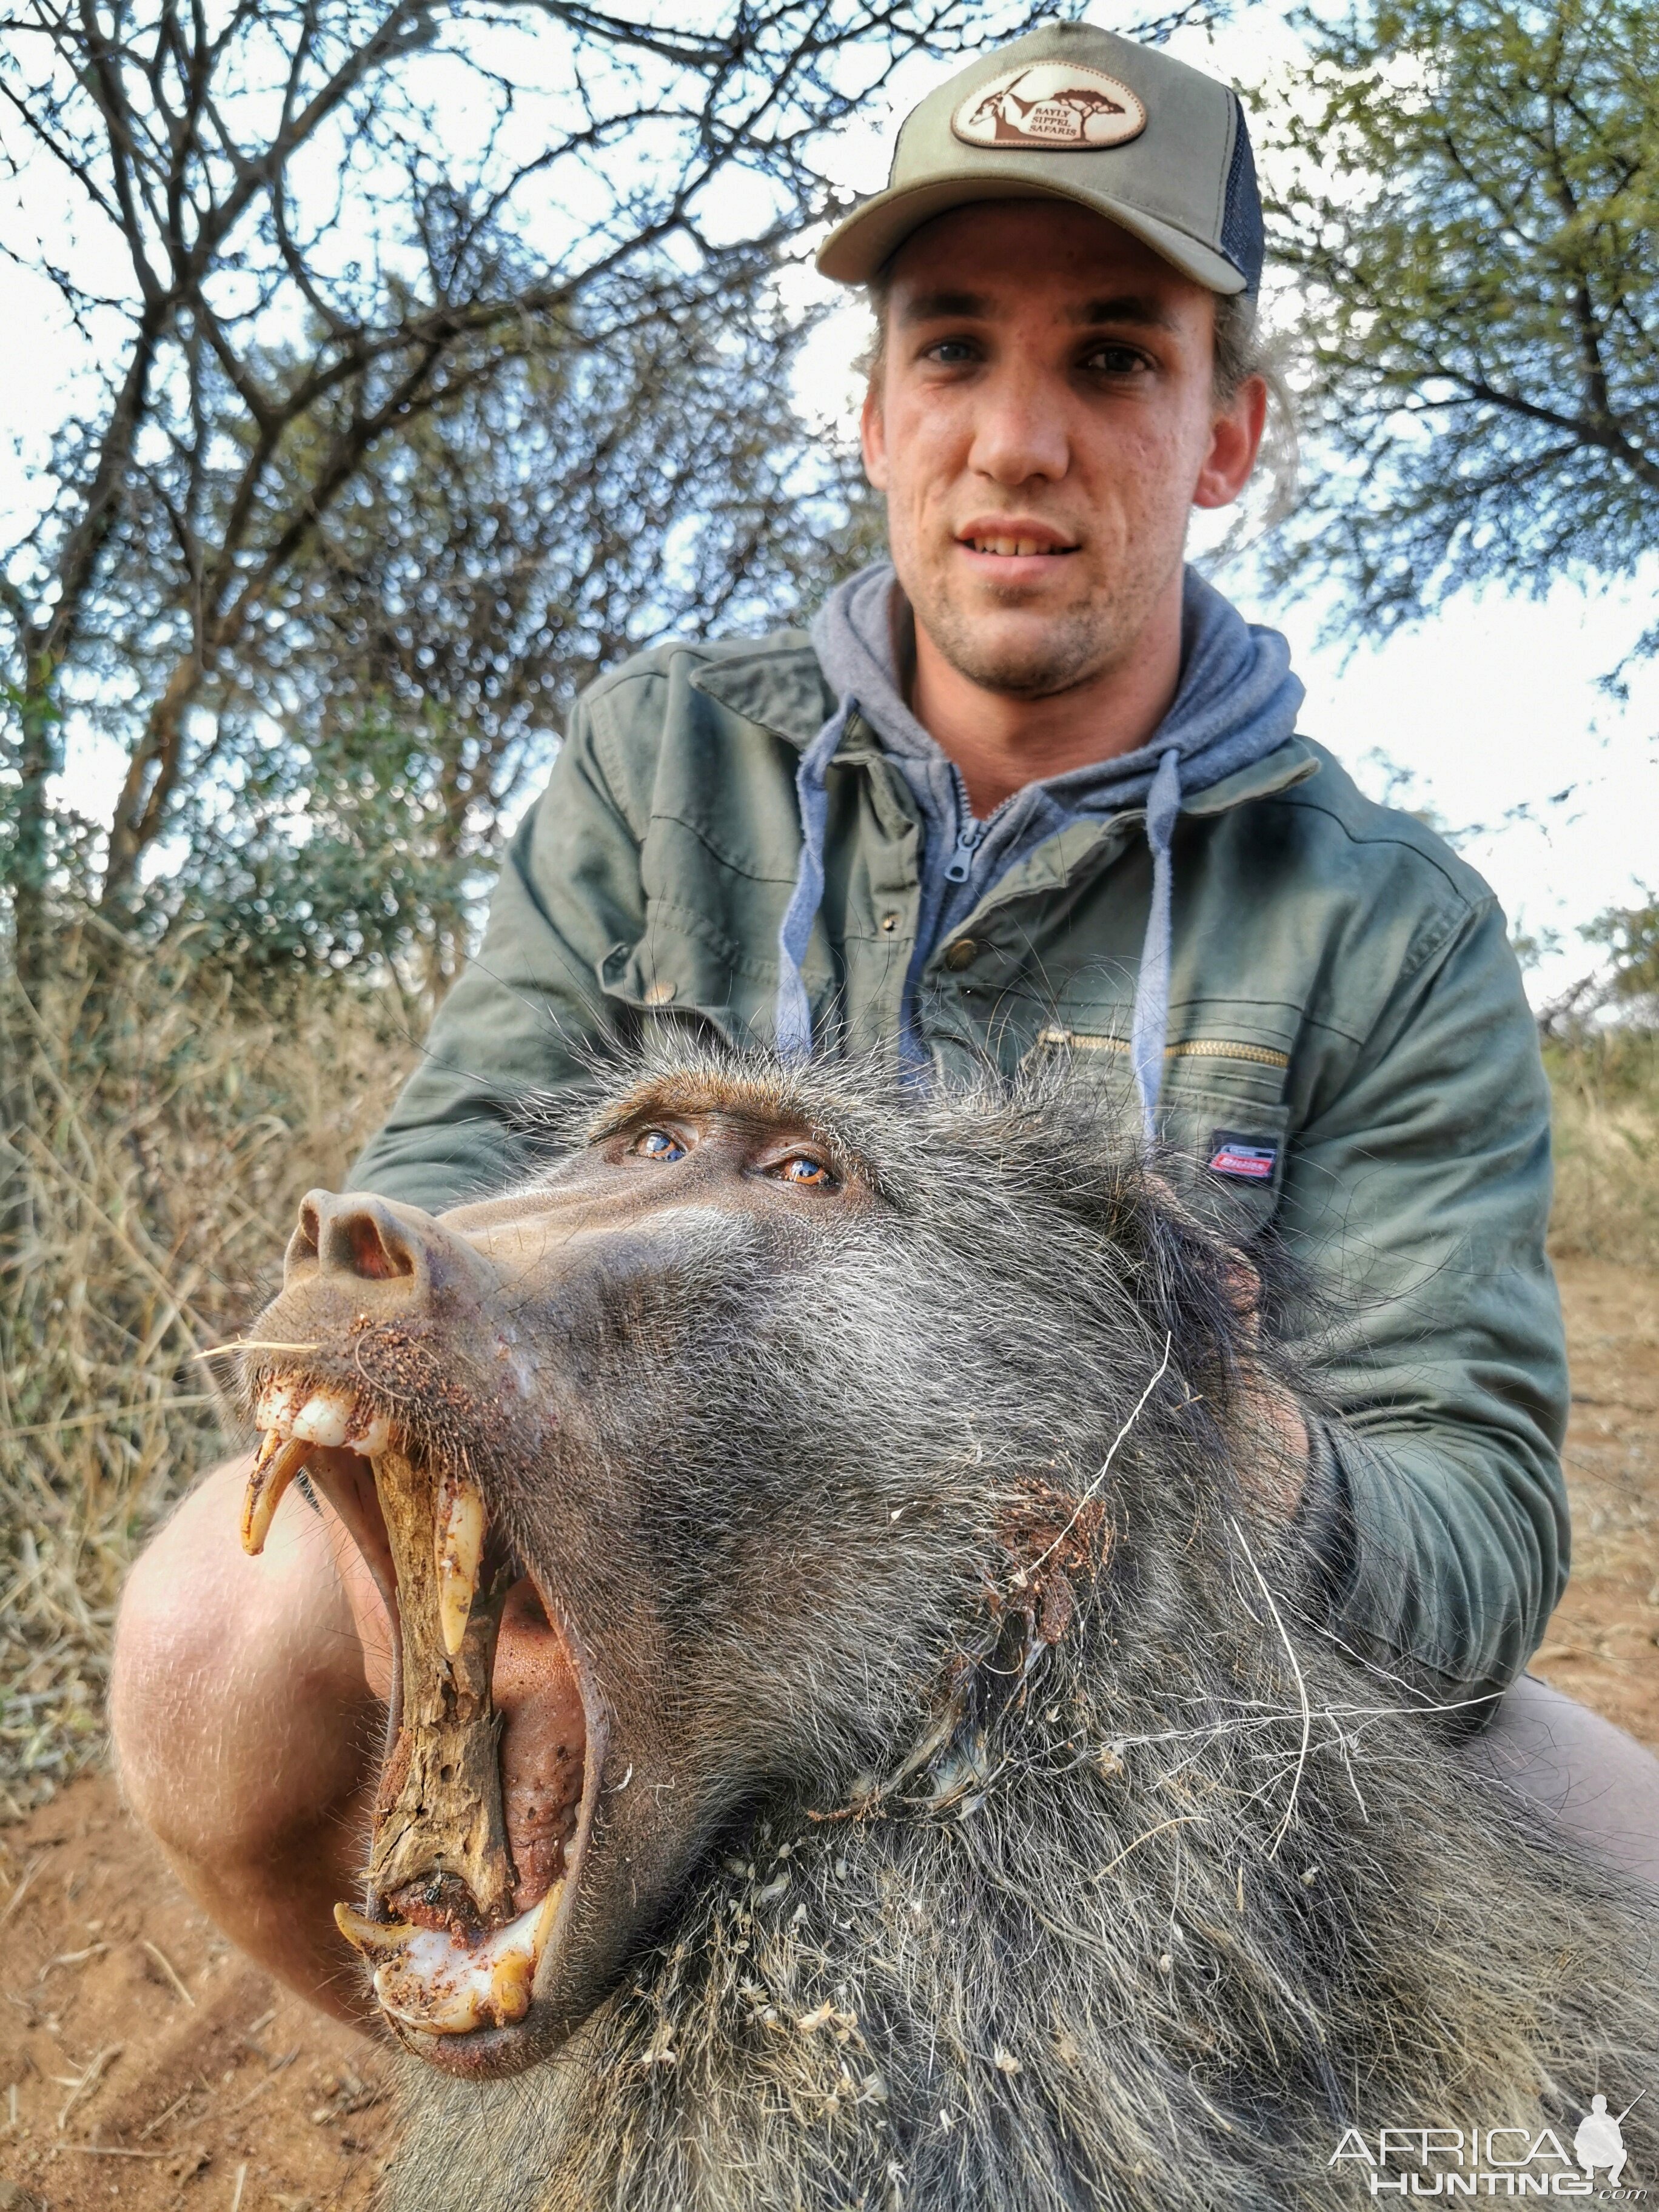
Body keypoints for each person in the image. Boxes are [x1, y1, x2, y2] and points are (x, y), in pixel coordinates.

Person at [110, 21, 1659, 2027]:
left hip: (1164, 1639)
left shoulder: (1390, 922)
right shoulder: (666, 761)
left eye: (1114, 355)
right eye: (953, 349)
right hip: (651, 1548)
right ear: (871, 412)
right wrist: (513, 1498)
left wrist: (1180, 1433)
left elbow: (1470, 1542)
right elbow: (445, 1184)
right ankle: (502, 2046)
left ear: (1228, 440)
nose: (1019, 439)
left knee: (1628, 1918)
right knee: (205, 1653)